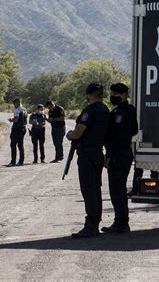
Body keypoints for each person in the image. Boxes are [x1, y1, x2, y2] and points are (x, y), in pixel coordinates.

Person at [66, 83, 110, 238]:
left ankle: (90, 226)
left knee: (89, 191)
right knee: (96, 190)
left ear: (90, 95)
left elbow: (78, 133)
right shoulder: (105, 110)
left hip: (87, 155)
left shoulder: (89, 111)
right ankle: (95, 223)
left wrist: (70, 134)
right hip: (98, 153)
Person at [102, 83, 138, 234]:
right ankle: (121, 221)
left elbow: (115, 137)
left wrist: (109, 156)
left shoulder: (121, 112)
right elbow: (133, 130)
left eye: (115, 94)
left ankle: (121, 223)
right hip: (124, 154)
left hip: (118, 155)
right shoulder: (128, 110)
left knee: (117, 190)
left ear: (123, 95)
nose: (112, 96)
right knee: (119, 189)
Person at [8, 98, 27, 167]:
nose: (14, 105)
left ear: (18, 102)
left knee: (13, 144)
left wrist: (11, 120)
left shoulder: (17, 110)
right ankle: (21, 161)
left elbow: (16, 119)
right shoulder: (24, 109)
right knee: (20, 145)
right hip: (23, 128)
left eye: (15, 103)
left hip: (17, 129)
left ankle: (13, 161)